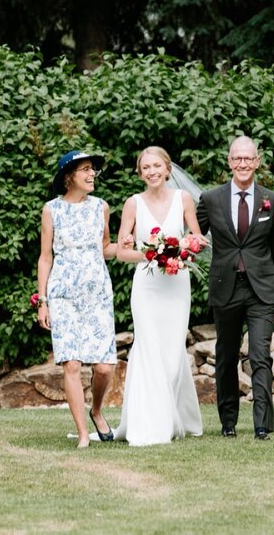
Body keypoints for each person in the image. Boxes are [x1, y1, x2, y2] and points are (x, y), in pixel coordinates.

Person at [195, 136, 274, 441]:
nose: (243, 164)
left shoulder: (271, 200)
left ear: (257, 162)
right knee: (225, 356)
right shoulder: (211, 199)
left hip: (262, 290)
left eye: (248, 159)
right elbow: (193, 234)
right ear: (229, 162)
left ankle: (261, 424)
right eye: (237, 159)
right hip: (226, 288)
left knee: (260, 355)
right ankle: (228, 422)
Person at [113, 146, 205, 446]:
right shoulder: (132, 204)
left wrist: (182, 248)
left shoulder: (184, 199)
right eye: (146, 168)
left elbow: (196, 240)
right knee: (148, 349)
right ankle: (152, 424)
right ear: (140, 173)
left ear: (167, 169)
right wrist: (150, 253)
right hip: (147, 287)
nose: (152, 172)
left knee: (172, 353)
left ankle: (176, 417)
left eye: (156, 166)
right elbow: (121, 252)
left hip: (177, 285)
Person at [36, 150, 118, 449]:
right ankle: (83, 434)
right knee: (71, 364)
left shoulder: (101, 208)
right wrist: (43, 300)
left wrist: (135, 247)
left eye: (93, 169)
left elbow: (105, 247)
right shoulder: (52, 210)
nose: (92, 174)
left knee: (104, 367)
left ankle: (96, 410)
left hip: (97, 291)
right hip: (63, 294)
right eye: (85, 169)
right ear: (69, 176)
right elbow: (45, 258)